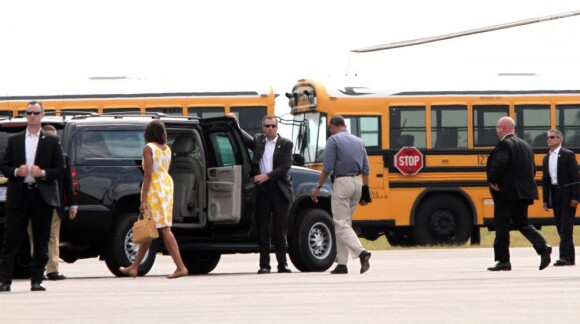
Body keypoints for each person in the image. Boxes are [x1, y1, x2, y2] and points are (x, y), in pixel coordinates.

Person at [0, 101, 65, 292]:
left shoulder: (52, 141)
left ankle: (36, 280)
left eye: (36, 113)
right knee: (11, 238)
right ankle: (5, 281)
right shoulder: (15, 140)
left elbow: (61, 169)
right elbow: (4, 165)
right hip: (19, 195)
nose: (32, 116)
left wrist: (43, 173)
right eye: (29, 113)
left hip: (41, 195)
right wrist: (15, 171)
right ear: (25, 116)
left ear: (42, 115)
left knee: (41, 239)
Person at [119, 120, 188, 279]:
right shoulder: (167, 149)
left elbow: (148, 174)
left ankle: (180, 266)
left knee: (163, 228)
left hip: (155, 188)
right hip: (166, 186)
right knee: (151, 227)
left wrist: (143, 199)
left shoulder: (148, 148)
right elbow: (163, 170)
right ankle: (135, 267)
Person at [229, 114, 294, 274]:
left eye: (273, 126)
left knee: (280, 229)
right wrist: (235, 124)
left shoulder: (286, 144)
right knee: (263, 228)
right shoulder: (259, 140)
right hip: (263, 191)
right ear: (262, 127)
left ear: (277, 128)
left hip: (279, 190)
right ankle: (264, 264)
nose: (270, 129)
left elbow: (285, 167)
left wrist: (267, 176)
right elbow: (245, 140)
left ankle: (282, 264)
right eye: (267, 126)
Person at [486, 116, 552, 271]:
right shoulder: (525, 145)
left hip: (507, 192)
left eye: (497, 128)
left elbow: (500, 163)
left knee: (501, 224)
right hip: (524, 193)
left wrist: (492, 180)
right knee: (522, 223)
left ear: (503, 127)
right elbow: (532, 169)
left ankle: (503, 260)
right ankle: (543, 247)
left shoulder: (504, 144)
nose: (496, 131)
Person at [311, 115, 372, 274]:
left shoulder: (334, 140)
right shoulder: (359, 141)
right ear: (344, 125)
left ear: (332, 127)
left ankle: (361, 253)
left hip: (342, 183)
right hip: (357, 183)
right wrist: (366, 191)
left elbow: (327, 167)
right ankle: (342, 264)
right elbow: (366, 169)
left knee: (340, 223)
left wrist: (318, 186)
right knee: (345, 224)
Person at [27, 125, 78, 281]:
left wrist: (72, 204)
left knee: (53, 237)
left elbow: (68, 182)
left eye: (55, 139)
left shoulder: (63, 157)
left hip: (54, 202)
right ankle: (38, 269)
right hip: (33, 201)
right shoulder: (31, 157)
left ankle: (52, 270)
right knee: (34, 236)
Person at [541, 129, 579, 266]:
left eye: (552, 137)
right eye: (548, 138)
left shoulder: (568, 155)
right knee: (560, 227)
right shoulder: (546, 158)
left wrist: (576, 197)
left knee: (566, 228)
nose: (549, 140)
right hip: (555, 195)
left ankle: (564, 257)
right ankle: (570, 258)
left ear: (560, 139)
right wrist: (545, 200)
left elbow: (575, 177)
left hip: (568, 196)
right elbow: (545, 180)